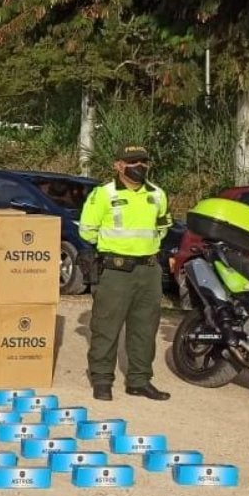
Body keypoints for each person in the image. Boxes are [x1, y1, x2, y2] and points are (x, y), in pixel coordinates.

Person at [79, 144, 173, 402]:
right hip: (116, 270)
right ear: (118, 165)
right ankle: (101, 380)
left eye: (143, 161)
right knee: (106, 327)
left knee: (145, 329)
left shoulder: (157, 194)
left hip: (149, 270)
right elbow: (87, 230)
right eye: (132, 162)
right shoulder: (103, 194)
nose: (138, 166)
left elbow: (163, 226)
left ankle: (139, 381)